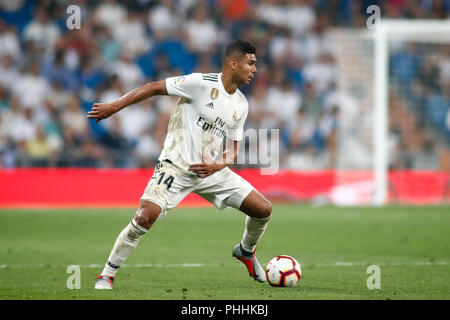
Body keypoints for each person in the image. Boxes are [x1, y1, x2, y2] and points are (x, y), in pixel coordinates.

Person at [87, 40, 272, 290]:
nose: (254, 69)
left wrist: (217, 166)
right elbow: (154, 87)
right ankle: (106, 275)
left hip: (210, 170)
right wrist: (113, 107)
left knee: (263, 209)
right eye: (250, 63)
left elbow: (233, 150)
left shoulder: (241, 104)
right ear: (233, 63)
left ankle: (246, 251)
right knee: (144, 217)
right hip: (175, 167)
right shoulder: (200, 83)